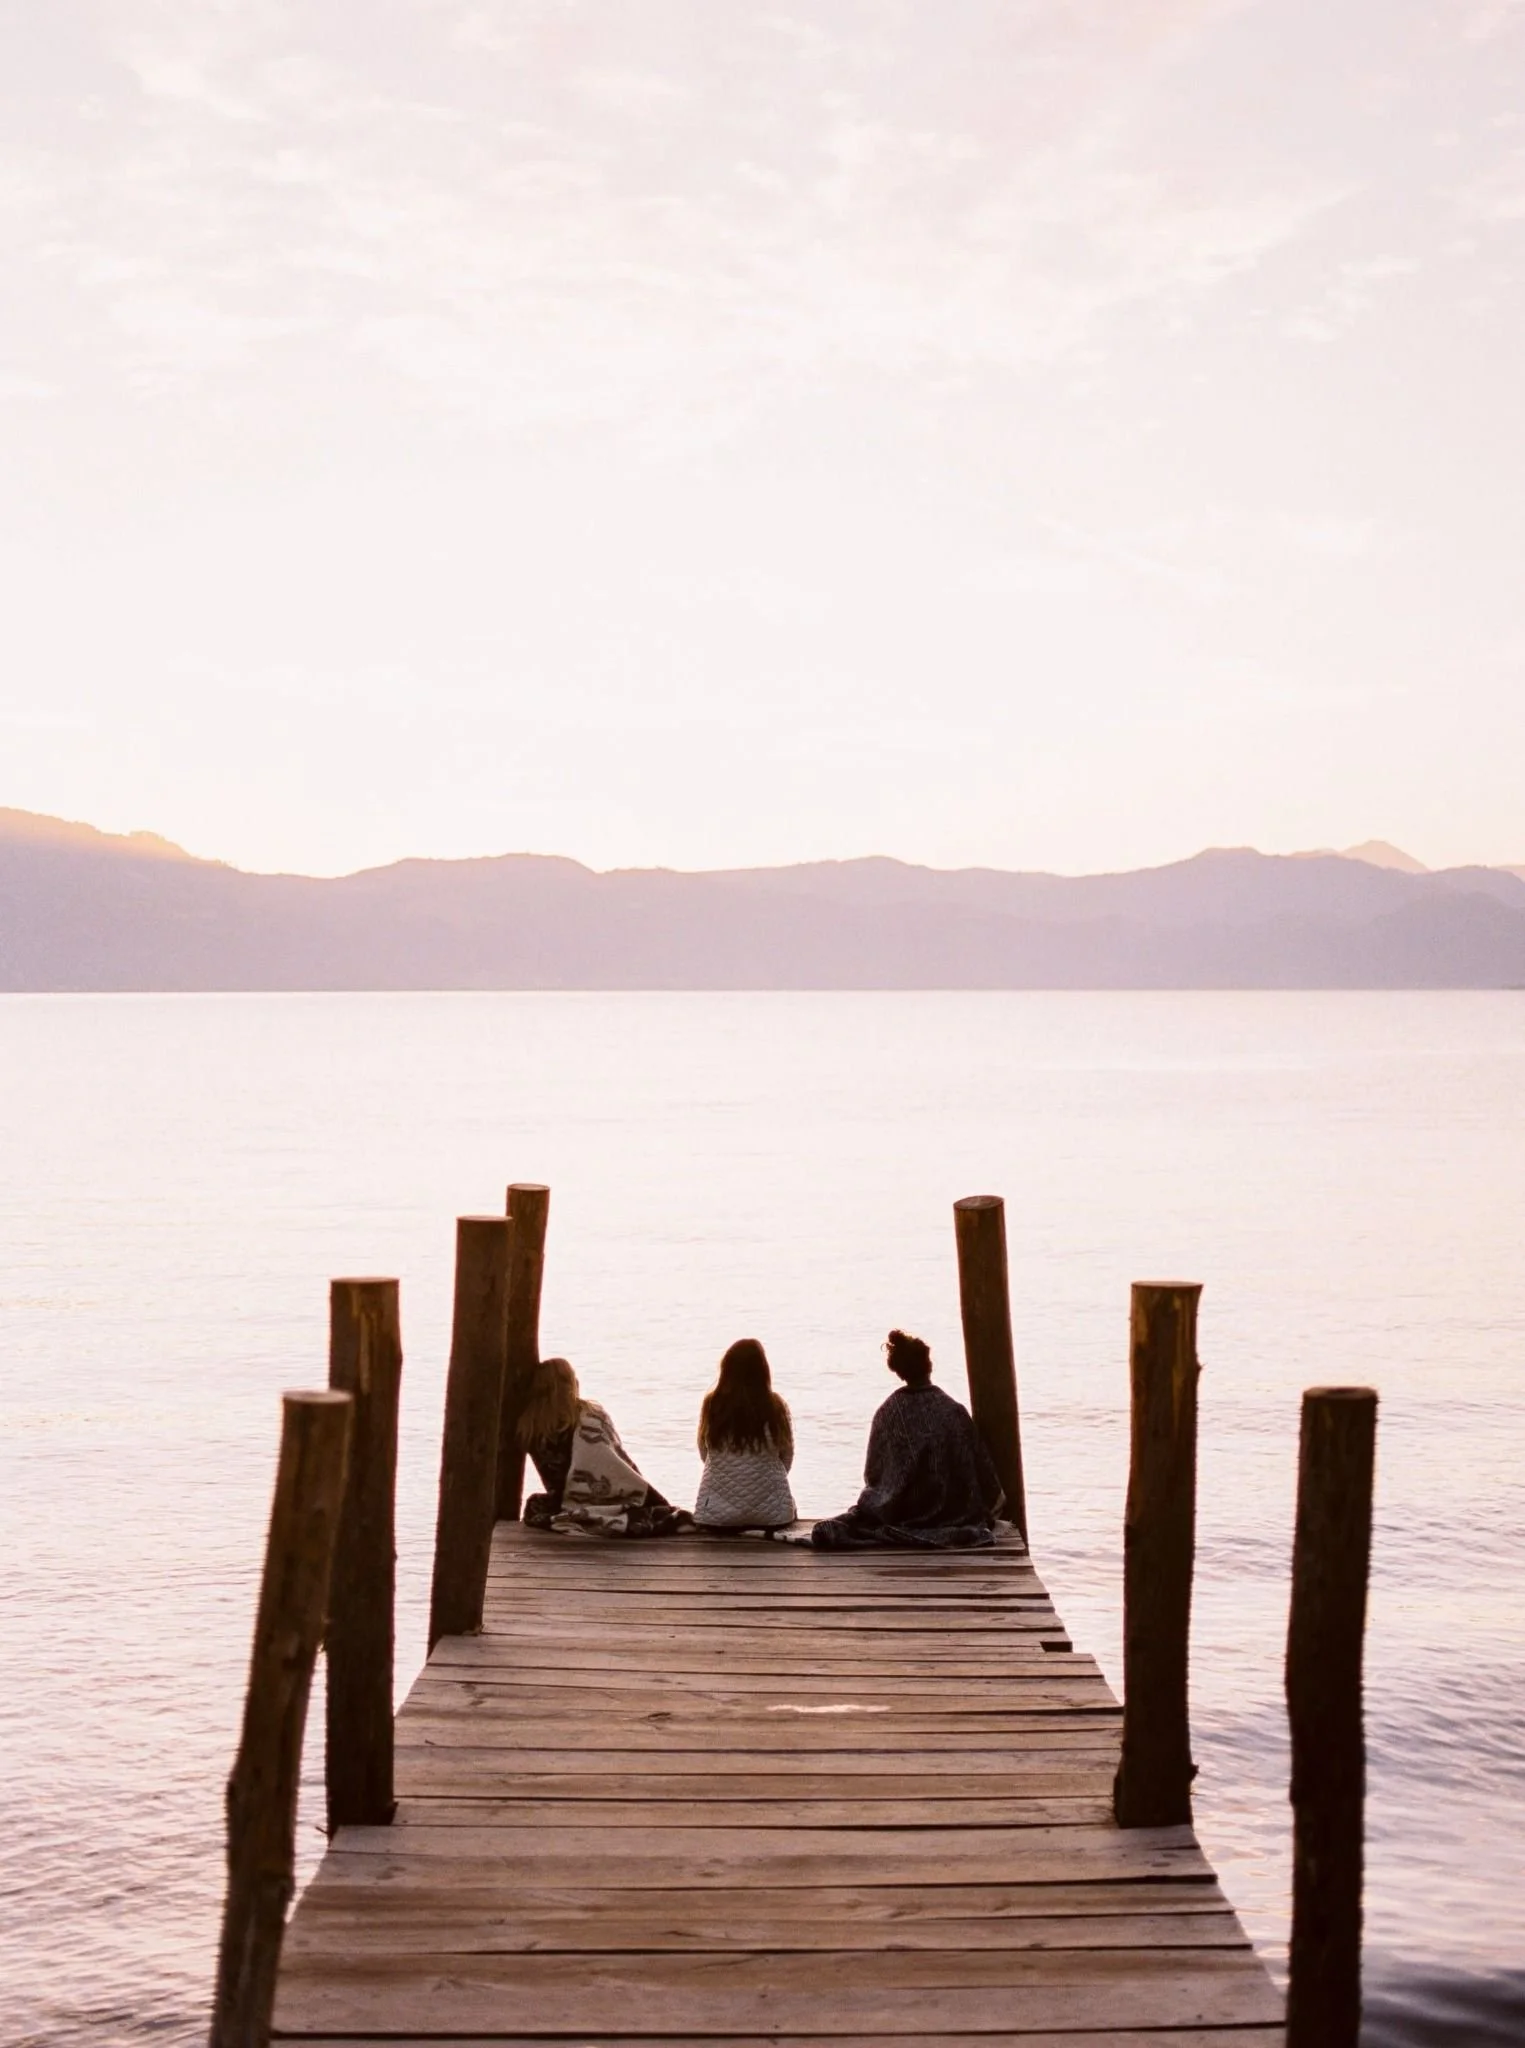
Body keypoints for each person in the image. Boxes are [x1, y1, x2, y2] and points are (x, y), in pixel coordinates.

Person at [810, 1329, 1004, 1549]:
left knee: (857, 1518)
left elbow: (874, 1475)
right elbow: (981, 1469)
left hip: (902, 1510)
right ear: (928, 1365)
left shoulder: (888, 1412)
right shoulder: (954, 1411)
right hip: (953, 1512)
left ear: (899, 1371)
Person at [518, 1356, 687, 1538]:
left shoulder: (529, 1426)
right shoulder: (590, 1416)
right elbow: (617, 1461)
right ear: (570, 1383)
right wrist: (653, 1497)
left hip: (560, 1502)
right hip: (595, 1497)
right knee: (657, 1514)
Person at [694, 1338, 797, 1531]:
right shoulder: (775, 1406)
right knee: (788, 1504)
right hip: (773, 1517)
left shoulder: (712, 1404)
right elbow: (787, 1456)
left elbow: (704, 1453)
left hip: (715, 1517)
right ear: (763, 1371)